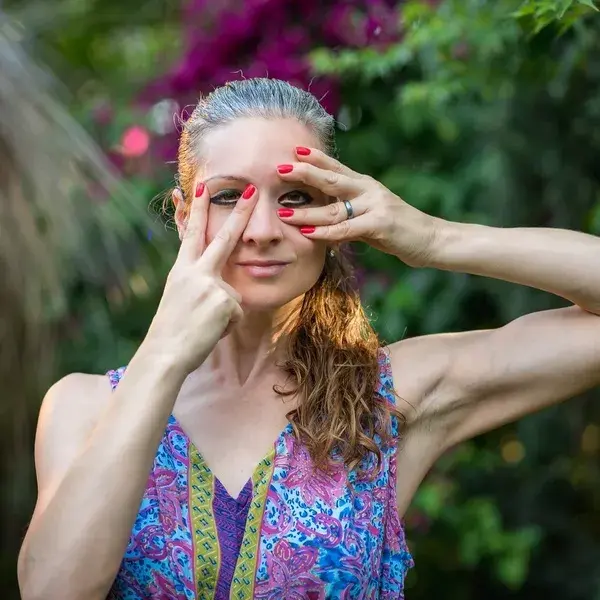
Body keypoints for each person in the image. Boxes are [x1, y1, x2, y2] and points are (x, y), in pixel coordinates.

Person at [17, 78, 600, 600]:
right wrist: (165, 355)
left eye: (294, 197)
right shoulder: (84, 407)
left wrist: (435, 237)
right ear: (181, 215)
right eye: (229, 197)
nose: (265, 230)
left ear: (335, 216)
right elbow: (53, 590)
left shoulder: (389, 397)